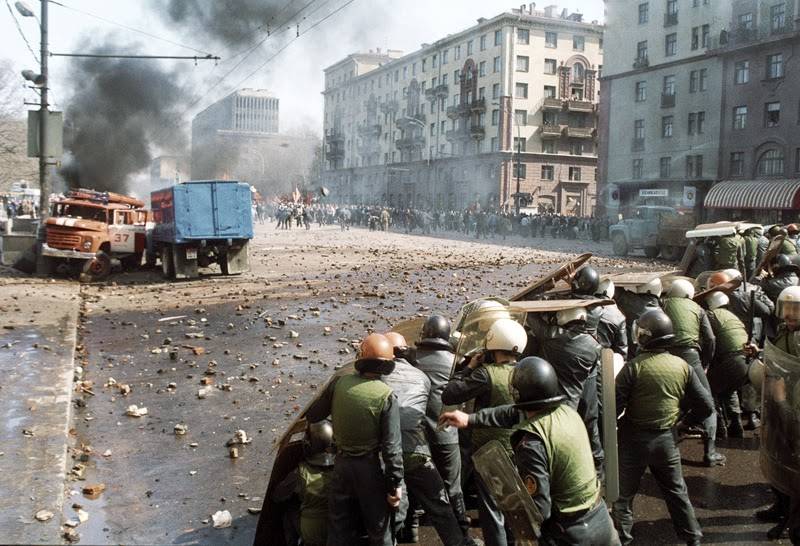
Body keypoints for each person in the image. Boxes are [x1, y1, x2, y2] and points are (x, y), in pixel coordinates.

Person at [439, 357, 621, 545]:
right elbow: (512, 413)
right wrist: (470, 419)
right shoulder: (568, 413)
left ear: (518, 393)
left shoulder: (531, 443)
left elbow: (539, 510)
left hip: (570, 533)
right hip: (602, 521)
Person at [612, 309, 714, 546]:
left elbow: (613, 407)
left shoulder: (633, 368)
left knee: (623, 498)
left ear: (644, 336)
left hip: (633, 440)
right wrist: (684, 423)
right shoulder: (682, 366)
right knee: (677, 493)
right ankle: (693, 538)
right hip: (667, 439)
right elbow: (706, 405)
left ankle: (623, 541)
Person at [305, 333, 403, 546]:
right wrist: (394, 483)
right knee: (379, 529)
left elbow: (313, 415)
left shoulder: (340, 383)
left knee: (338, 527)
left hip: (341, 466)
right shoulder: (387, 395)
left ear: (360, 359)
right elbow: (392, 448)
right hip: (370, 469)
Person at [442, 318, 528, 546]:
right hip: (521, 448)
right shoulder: (527, 372)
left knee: (492, 513)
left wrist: (468, 367)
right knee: (515, 509)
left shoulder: (485, 374)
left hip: (489, 451)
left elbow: (450, 394)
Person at [381, 332, 466, 546]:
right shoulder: (422, 377)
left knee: (392, 505)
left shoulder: (377, 378)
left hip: (385, 453)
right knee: (440, 504)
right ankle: (460, 542)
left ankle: (406, 534)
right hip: (418, 449)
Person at [405, 315, 476, 544]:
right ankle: (463, 533)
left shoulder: (413, 359)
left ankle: (411, 528)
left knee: (414, 482)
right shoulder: (455, 361)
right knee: (452, 487)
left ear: (424, 334)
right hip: (447, 433)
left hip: (418, 436)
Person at [527, 306, 604, 476]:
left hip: (553, 401)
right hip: (577, 397)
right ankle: (597, 470)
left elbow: (531, 317)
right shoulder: (594, 345)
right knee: (591, 430)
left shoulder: (553, 336)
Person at [661, 278, 724, 465]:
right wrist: (704, 363)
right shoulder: (698, 309)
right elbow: (710, 339)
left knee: (670, 400)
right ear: (689, 294)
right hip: (690, 357)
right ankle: (710, 453)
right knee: (707, 403)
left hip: (666, 355)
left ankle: (668, 446)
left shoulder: (662, 304)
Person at [272, 421, 336, 546]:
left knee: (288, 508)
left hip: (313, 535)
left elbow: (277, 496)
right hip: (339, 532)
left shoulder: (300, 474)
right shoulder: (343, 470)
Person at [703, 291, 751, 438]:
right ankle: (736, 422)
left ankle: (719, 425)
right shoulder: (733, 316)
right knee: (730, 390)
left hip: (730, 360)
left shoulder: (711, 315)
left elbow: (707, 339)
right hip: (746, 361)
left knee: (709, 390)